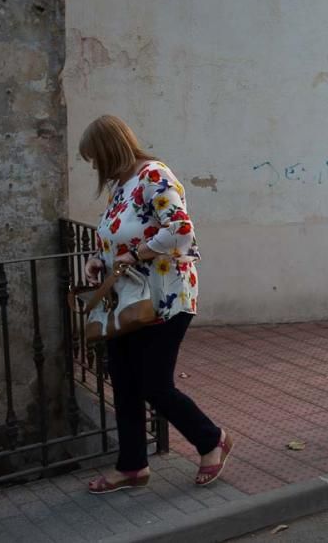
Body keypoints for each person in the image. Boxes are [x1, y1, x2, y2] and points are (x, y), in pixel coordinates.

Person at [79, 116, 231, 493]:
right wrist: (100, 258)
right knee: (125, 383)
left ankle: (211, 441)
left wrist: (136, 254)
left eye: (95, 158)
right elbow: (117, 234)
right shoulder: (123, 186)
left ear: (109, 149)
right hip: (128, 300)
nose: (95, 167)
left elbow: (180, 229)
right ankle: (132, 467)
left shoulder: (154, 176)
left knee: (153, 383)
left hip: (165, 297)